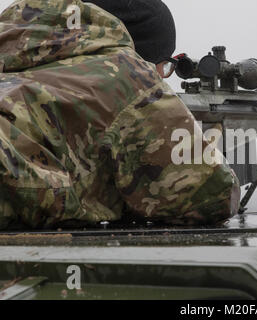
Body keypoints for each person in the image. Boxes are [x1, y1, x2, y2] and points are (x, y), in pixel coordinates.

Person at [0, 0, 240, 229]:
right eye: (164, 64)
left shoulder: (13, 63)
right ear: (142, 54)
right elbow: (211, 197)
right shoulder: (129, 74)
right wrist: (211, 140)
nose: (162, 76)